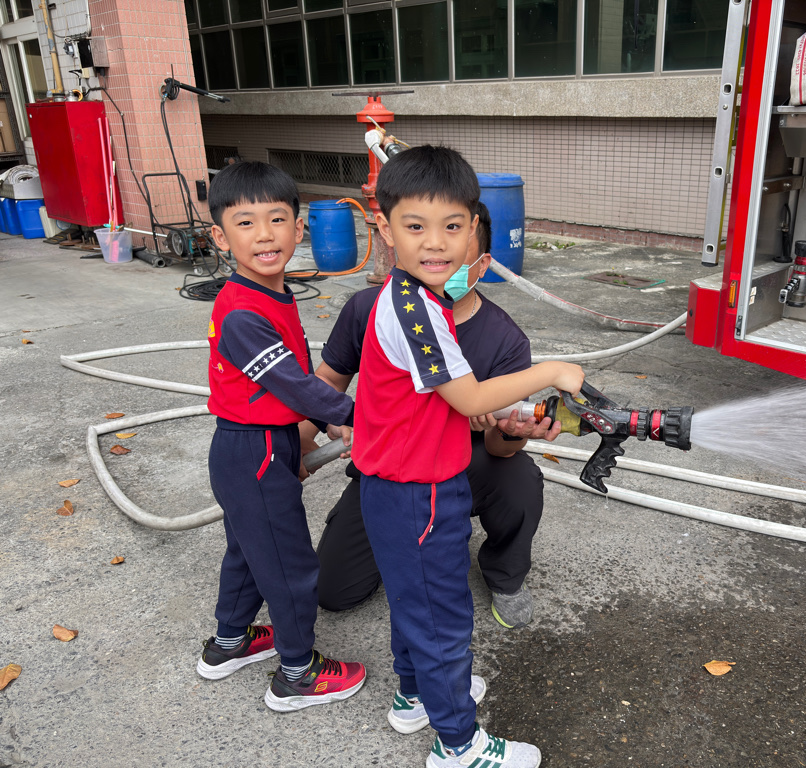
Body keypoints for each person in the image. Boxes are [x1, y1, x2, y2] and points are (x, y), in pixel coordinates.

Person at [349, 145, 584, 768]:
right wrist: (552, 371)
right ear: (385, 228)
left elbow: (454, 402)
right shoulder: (418, 313)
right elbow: (471, 396)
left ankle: (414, 696)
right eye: (415, 227)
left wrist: (504, 415)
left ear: (475, 229)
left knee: (414, 602)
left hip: (401, 483)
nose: (435, 243)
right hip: (418, 491)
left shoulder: (407, 296)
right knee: (442, 619)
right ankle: (458, 743)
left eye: (452, 226)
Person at [308, 201, 560, 630]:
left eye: (455, 251)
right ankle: (412, 544)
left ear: (482, 264)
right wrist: (308, 437)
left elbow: (499, 446)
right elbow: (326, 382)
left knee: (519, 478)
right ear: (393, 234)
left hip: (465, 464)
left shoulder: (505, 340)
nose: (439, 258)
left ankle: (505, 574)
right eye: (423, 237)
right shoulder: (373, 308)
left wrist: (512, 431)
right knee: (333, 591)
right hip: (389, 470)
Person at [196, 160, 366, 713]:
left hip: (259, 445)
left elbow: (293, 379)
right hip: (254, 449)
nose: (265, 235)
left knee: (250, 550)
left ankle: (229, 643)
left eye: (277, 219)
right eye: (245, 223)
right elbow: (292, 383)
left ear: (299, 228)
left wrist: (316, 430)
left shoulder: (274, 294)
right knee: (290, 565)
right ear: (220, 236)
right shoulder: (243, 313)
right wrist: (353, 415)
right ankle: (297, 673)